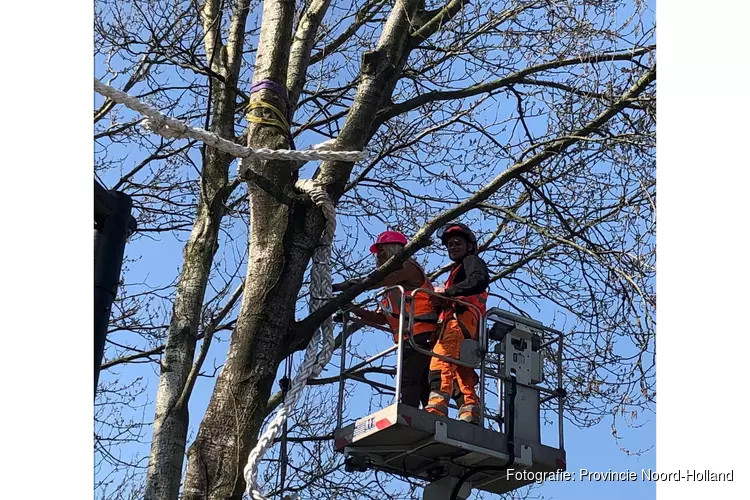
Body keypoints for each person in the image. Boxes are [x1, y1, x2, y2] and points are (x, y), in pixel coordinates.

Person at [332, 231, 439, 409]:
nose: (378, 254)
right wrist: (352, 308)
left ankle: (409, 414)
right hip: (409, 336)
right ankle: (432, 416)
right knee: (420, 382)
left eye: (382, 249)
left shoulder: (407, 267)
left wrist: (339, 287)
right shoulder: (392, 288)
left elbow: (371, 282)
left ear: (394, 249)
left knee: (409, 380)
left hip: (421, 332)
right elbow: (381, 318)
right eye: (377, 251)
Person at [425, 223, 489, 425]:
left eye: (457, 243)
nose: (453, 247)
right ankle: (470, 413)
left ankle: (436, 408)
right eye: (449, 244)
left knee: (441, 361)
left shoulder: (471, 261)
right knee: (462, 371)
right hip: (466, 324)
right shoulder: (457, 270)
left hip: (459, 322)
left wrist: (448, 293)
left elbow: (479, 280)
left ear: (469, 246)